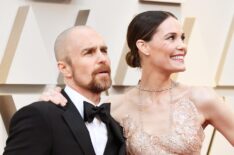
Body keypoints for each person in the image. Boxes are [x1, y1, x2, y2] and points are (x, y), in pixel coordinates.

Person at [41, 11, 234, 154]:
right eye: (171, 38)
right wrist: (52, 95)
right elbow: (67, 125)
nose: (182, 46)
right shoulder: (112, 107)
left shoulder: (201, 98)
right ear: (143, 47)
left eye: (182, 38)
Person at [3, 26, 126, 155]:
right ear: (64, 68)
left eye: (104, 50)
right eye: (89, 52)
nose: (102, 59)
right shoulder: (39, 115)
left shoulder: (117, 122)